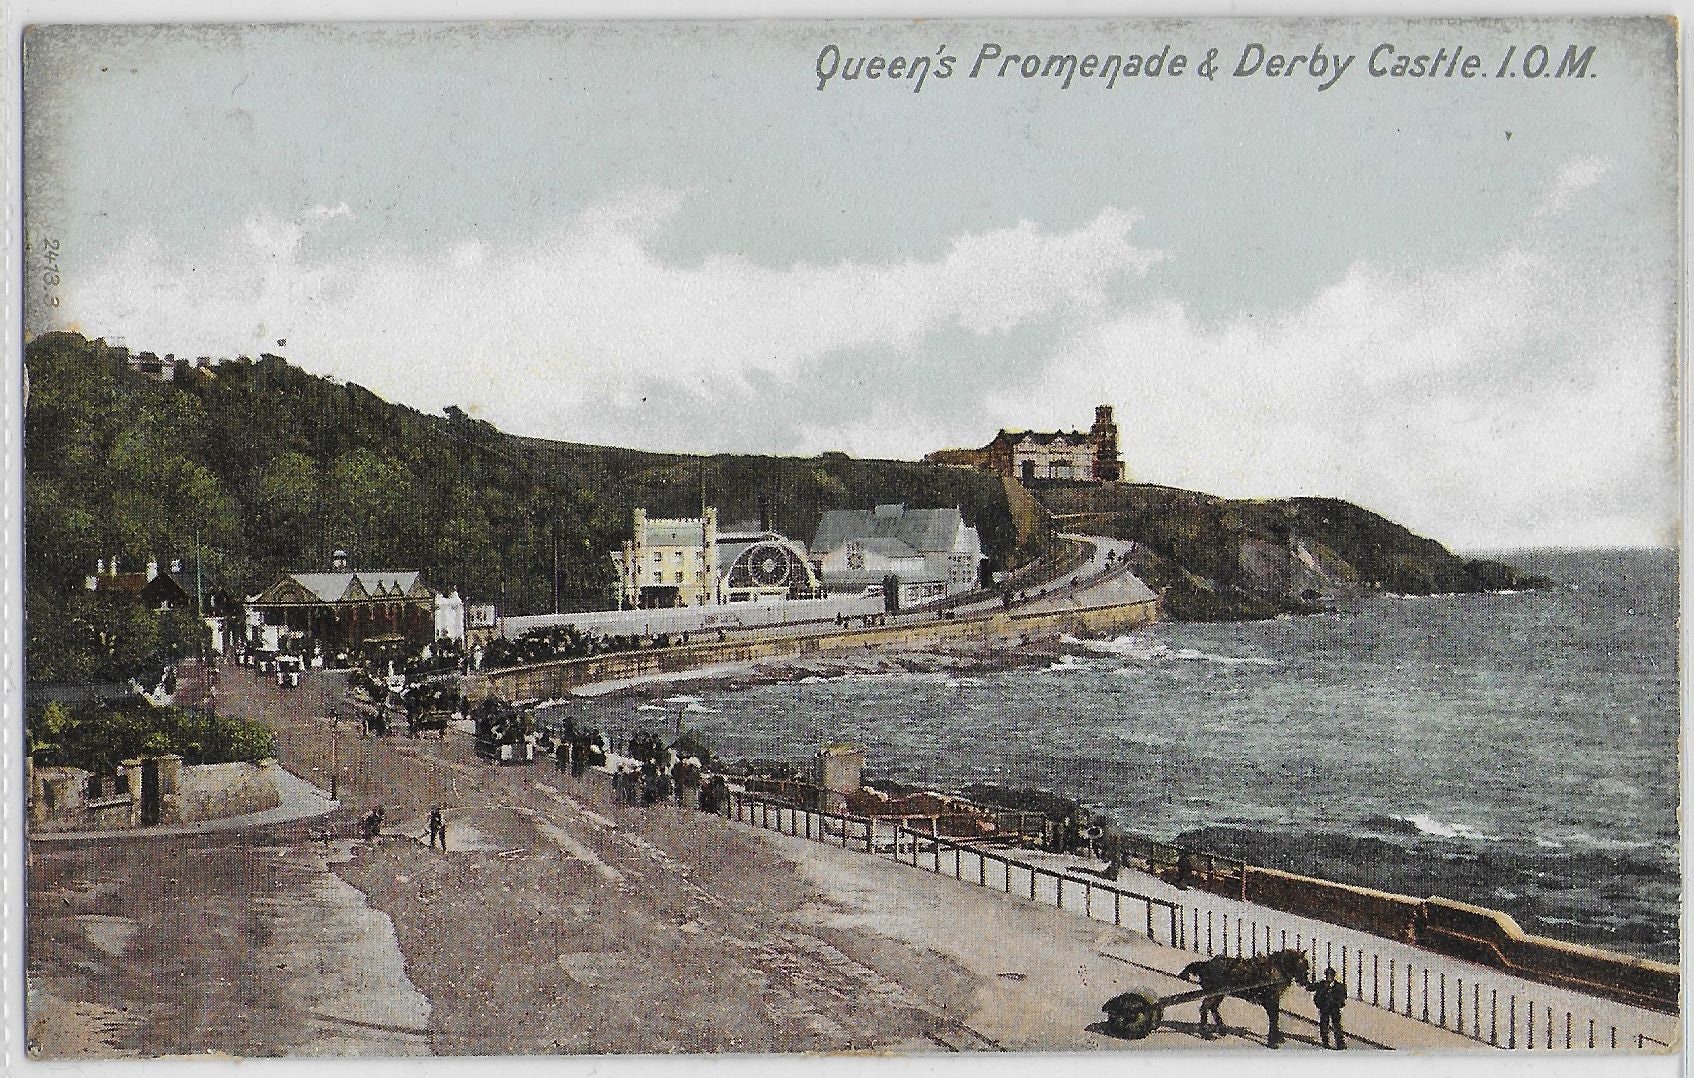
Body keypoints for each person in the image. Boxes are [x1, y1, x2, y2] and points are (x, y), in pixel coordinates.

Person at [1309, 967, 1347, 1049]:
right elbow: (1311, 988)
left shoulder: (1339, 986)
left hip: (1334, 1009)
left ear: (1333, 976)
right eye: (1327, 975)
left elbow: (1343, 997)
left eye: (1330, 975)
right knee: (1324, 1025)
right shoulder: (1322, 985)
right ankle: (1325, 1042)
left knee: (1337, 1026)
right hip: (1324, 1008)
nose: (1329, 977)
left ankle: (1339, 1043)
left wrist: (1338, 1003)